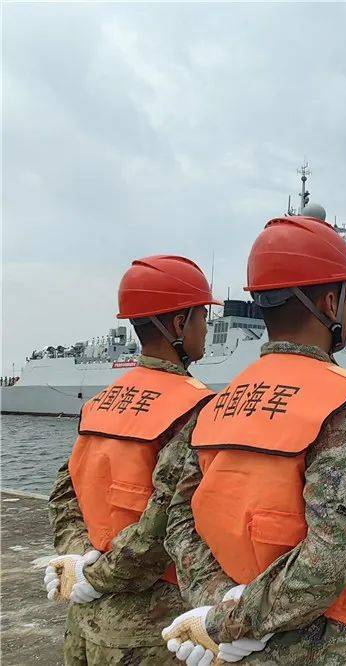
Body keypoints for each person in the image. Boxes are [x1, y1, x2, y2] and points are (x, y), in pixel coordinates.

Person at [161, 215, 346, 665]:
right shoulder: (342, 405)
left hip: (226, 647)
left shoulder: (217, 405)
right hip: (323, 647)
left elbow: (179, 518)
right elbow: (333, 552)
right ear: (331, 303)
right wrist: (231, 619)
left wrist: (218, 606)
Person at [45, 256, 219, 665]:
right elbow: (165, 524)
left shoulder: (100, 404)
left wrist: (78, 560)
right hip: (150, 633)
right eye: (201, 318)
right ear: (179, 325)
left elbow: (64, 493)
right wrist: (97, 575)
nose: (205, 329)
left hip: (83, 624)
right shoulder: (195, 409)